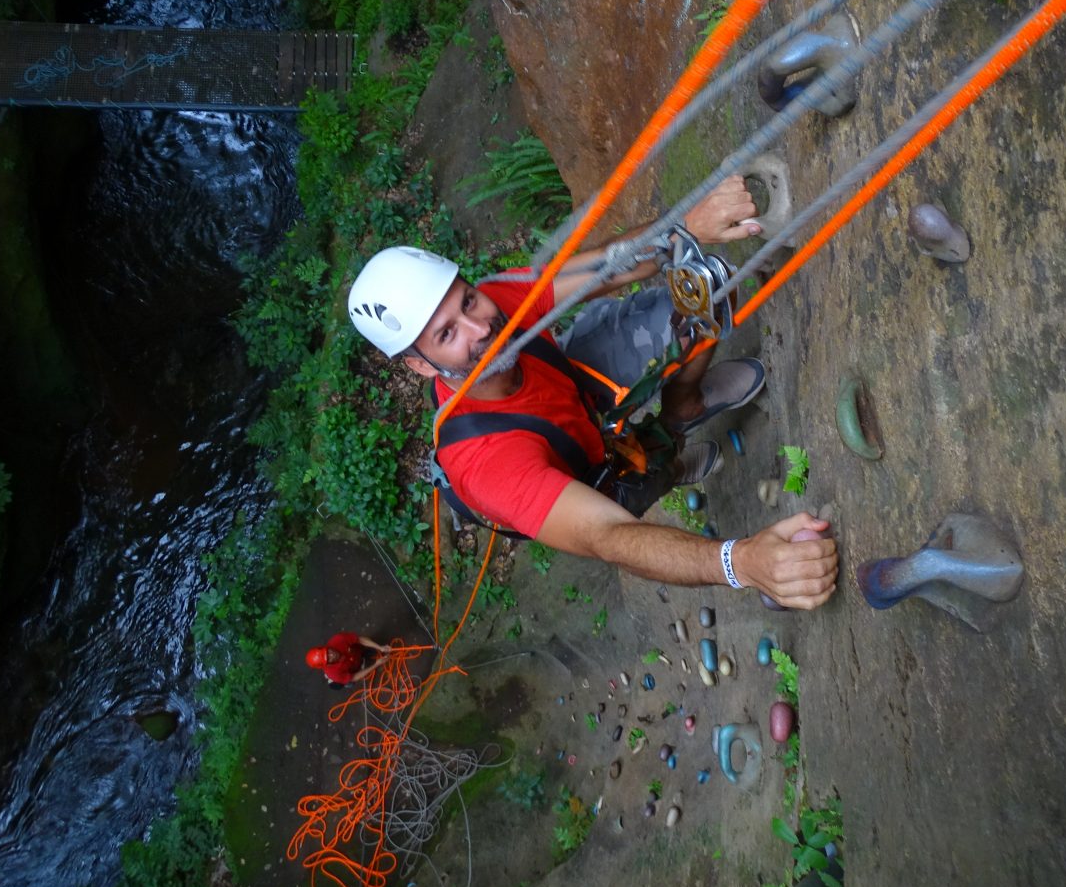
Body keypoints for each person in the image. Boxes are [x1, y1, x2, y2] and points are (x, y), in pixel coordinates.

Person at [347, 176, 838, 610]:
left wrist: (683, 226)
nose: (482, 328)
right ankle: (667, 458)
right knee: (633, 491)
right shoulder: (487, 466)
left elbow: (607, 267)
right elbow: (608, 537)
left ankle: (685, 406)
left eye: (467, 300)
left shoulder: (492, 302)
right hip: (576, 469)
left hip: (571, 382)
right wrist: (743, 563)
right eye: (447, 335)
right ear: (419, 365)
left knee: (707, 288)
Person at [306, 632, 393, 688]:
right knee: (346, 683)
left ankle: (362, 656)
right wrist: (376, 665)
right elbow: (354, 677)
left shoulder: (338, 640)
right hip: (351, 669)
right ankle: (340, 682)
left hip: (356, 654)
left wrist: (380, 647)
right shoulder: (334, 673)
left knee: (367, 644)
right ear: (327, 664)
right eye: (329, 658)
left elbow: (360, 639)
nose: (332, 654)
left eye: (328, 651)